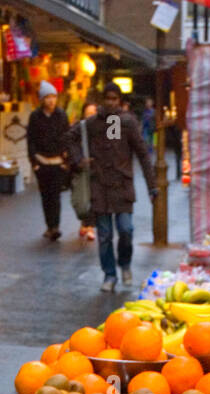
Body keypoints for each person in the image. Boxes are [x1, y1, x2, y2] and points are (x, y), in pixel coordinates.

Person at [75, 82, 156, 293]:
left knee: (126, 229)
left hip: (122, 187)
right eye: (107, 98)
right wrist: (81, 160)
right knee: (104, 235)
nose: (110, 102)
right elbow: (70, 138)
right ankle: (109, 274)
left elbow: (142, 155)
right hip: (100, 188)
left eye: (114, 98)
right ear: (103, 100)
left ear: (119, 101)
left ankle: (125, 263)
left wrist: (152, 186)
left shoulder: (125, 122)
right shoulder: (93, 123)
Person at [27, 81, 70, 241]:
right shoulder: (35, 116)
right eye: (47, 97)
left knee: (56, 195)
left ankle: (55, 226)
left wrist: (66, 159)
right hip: (41, 160)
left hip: (58, 161)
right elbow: (30, 139)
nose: (51, 100)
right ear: (41, 99)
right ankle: (49, 225)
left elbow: (67, 137)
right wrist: (34, 162)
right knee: (45, 195)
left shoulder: (61, 115)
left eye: (53, 97)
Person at [66, 99, 97, 243]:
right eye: (88, 113)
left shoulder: (105, 127)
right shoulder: (78, 128)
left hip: (97, 169)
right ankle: (85, 223)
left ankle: (90, 227)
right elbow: (69, 142)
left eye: (94, 113)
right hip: (81, 168)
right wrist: (78, 160)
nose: (91, 116)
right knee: (82, 199)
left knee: (93, 198)